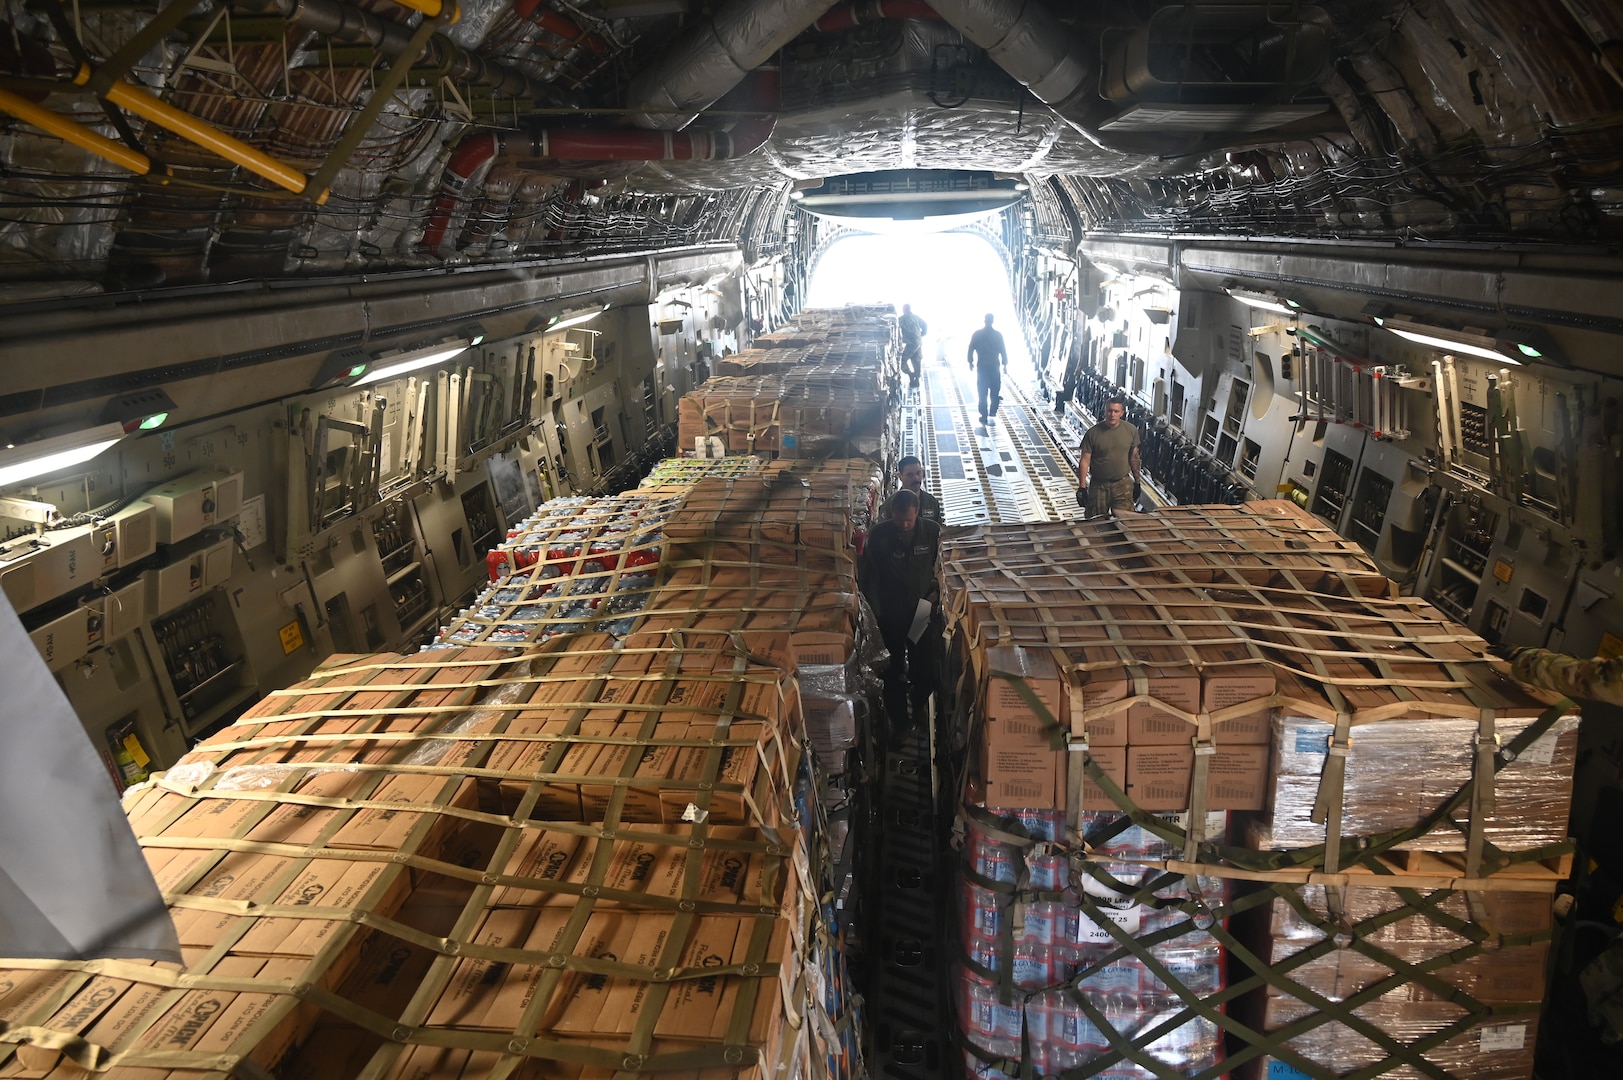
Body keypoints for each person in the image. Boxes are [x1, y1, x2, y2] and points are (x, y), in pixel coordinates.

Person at [860, 488, 941, 730]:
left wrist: (935, 596)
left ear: (917, 513)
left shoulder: (931, 532)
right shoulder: (880, 534)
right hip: (891, 612)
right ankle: (900, 724)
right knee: (892, 669)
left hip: (922, 610)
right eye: (899, 519)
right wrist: (875, 612)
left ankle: (918, 704)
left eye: (909, 520)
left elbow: (941, 566)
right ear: (891, 514)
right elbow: (870, 576)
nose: (904, 525)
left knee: (924, 663)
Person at [1076, 396, 1143, 518]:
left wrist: (1137, 482)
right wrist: (1082, 487)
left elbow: (1134, 457)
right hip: (1099, 485)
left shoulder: (1131, 430)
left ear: (1122, 413)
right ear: (1105, 411)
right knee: (1095, 522)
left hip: (1122, 483)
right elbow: (1085, 461)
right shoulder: (1093, 433)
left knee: (1127, 520)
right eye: (1109, 410)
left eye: (1116, 411)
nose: (1112, 414)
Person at [967, 313, 1007, 425]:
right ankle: (993, 410)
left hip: (982, 367)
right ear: (992, 321)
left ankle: (983, 414)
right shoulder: (998, 335)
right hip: (994, 366)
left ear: (984, 320)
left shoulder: (977, 334)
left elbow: (971, 348)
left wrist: (970, 362)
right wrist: (1005, 365)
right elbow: (1003, 350)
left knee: (982, 391)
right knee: (995, 390)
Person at [881, 455, 942, 524]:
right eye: (910, 475)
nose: (916, 478)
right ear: (900, 477)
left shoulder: (931, 502)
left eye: (918, 473)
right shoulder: (889, 506)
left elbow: (938, 530)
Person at [898, 304, 927, 387]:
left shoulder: (902, 319)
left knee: (902, 361)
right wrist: (922, 334)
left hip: (911, 343)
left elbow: (896, 330)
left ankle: (911, 375)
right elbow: (925, 325)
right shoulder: (916, 317)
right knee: (916, 360)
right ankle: (916, 380)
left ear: (904, 310)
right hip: (918, 342)